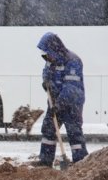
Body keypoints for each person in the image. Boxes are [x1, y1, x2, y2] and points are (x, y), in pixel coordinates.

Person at [34, 32, 88, 167]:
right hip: (55, 101)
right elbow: (46, 72)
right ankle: (45, 160)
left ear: (55, 48)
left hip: (71, 104)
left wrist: (59, 105)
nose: (45, 56)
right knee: (48, 128)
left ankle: (80, 162)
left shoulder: (72, 61)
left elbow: (71, 88)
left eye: (47, 52)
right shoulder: (50, 60)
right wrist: (46, 82)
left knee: (74, 131)